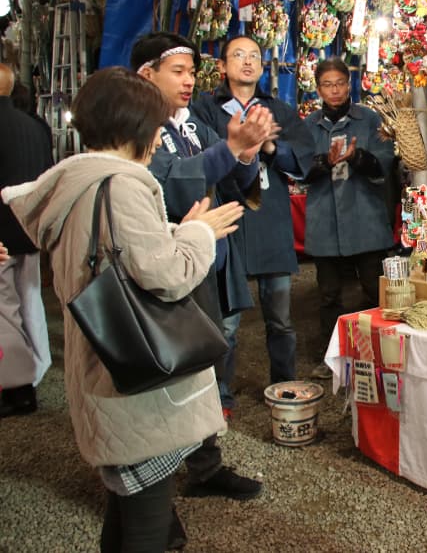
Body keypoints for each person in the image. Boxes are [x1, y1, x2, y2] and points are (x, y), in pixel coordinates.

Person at [2, 67, 244, 552]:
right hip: (138, 383)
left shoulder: (77, 182)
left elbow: (120, 262)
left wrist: (179, 232)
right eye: (156, 125)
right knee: (146, 524)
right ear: (139, 128)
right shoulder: (122, 185)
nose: (158, 138)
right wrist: (199, 235)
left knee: (127, 511)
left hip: (101, 364)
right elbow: (166, 276)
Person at [131, 33, 269, 507]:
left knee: (204, 363)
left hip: (202, 260)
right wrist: (230, 150)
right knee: (169, 369)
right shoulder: (139, 130)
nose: (189, 81)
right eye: (178, 72)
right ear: (145, 74)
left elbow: (234, 179)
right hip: (163, 265)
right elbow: (170, 185)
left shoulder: (192, 127)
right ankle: (153, 485)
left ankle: (204, 464)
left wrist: (247, 152)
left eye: (192, 72)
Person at [191, 36, 314, 408]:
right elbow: (199, 159)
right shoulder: (205, 109)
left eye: (254, 57)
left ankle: (284, 387)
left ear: (262, 67)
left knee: (280, 318)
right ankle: (220, 395)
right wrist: (239, 145)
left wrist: (272, 148)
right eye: (238, 56)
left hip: (270, 217)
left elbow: (303, 162)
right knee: (226, 321)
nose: (247, 63)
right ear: (224, 66)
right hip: (228, 217)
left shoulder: (278, 109)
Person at [303, 59, 395, 378]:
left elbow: (386, 163)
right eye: (328, 85)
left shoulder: (370, 120)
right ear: (318, 89)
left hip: (365, 218)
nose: (335, 90)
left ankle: (386, 355)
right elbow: (300, 169)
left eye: (340, 83)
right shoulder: (309, 125)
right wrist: (324, 162)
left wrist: (357, 156)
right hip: (325, 222)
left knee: (375, 289)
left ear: (349, 84)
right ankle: (330, 357)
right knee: (328, 294)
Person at [0, 63, 54, 417]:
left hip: (2, 235)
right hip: (30, 229)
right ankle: (32, 378)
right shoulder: (36, 127)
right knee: (31, 305)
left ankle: (16, 387)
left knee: (5, 312)